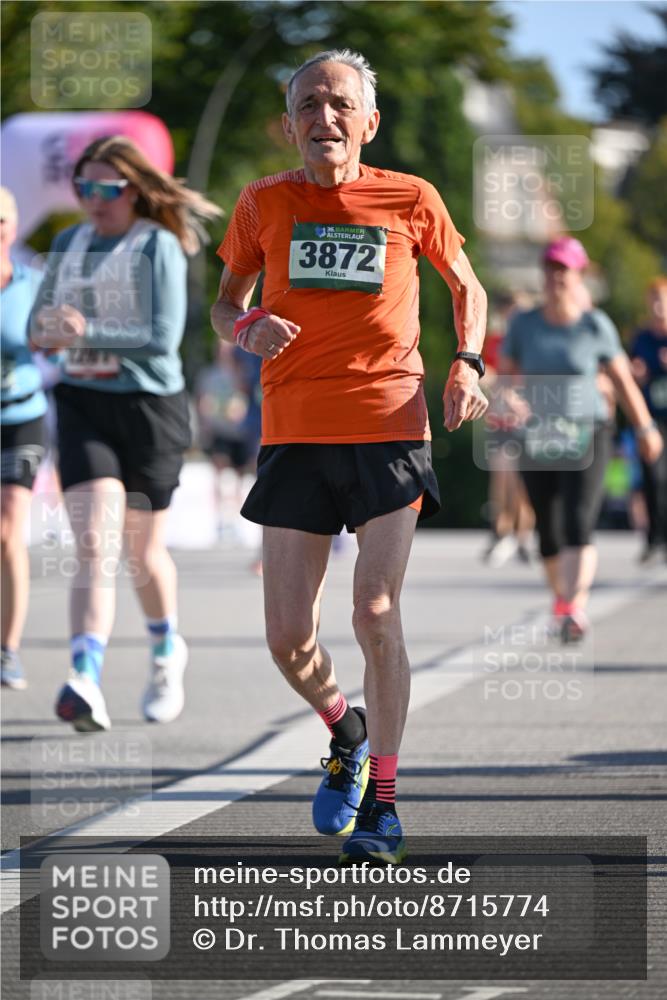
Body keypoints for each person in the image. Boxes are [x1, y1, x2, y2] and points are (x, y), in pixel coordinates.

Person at [211, 50, 488, 864]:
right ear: (288, 121)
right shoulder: (262, 202)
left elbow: (464, 286)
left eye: (339, 105)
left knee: (374, 610)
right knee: (287, 639)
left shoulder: (410, 198)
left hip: (389, 425)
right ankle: (345, 729)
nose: (322, 118)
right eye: (307, 105)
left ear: (367, 122)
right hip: (293, 431)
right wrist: (243, 327)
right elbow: (226, 303)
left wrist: (466, 361)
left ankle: (386, 807)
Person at [30, 136, 221, 731]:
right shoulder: (68, 243)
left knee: (141, 553)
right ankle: (84, 678)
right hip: (84, 403)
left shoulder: (157, 244)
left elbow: (160, 337)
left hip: (150, 408)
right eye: (82, 187)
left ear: (134, 190)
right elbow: (39, 328)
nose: (92, 199)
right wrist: (49, 328)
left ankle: (166, 652)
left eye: (105, 188)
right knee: (94, 545)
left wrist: (81, 331)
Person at [499, 238, 663, 643]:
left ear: (579, 276)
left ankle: (573, 607)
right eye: (551, 269)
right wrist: (511, 401)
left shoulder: (595, 325)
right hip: (537, 434)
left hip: (588, 430)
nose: (556, 278)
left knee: (577, 520)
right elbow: (505, 378)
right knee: (548, 533)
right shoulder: (524, 324)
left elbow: (623, 380)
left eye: (564, 270)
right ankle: (562, 599)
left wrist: (644, 427)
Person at [0, 187, 47, 689]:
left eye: (2, 220)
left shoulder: (33, 283)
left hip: (21, 417)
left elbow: (55, 344)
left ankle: (7, 648)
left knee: (7, 528)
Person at [481, 292, 535, 566]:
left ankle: (523, 535)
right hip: (501, 420)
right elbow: (483, 371)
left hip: (527, 422)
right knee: (502, 476)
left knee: (523, 483)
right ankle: (500, 532)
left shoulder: (533, 343)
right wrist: (500, 387)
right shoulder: (494, 342)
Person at [195, 339, 261, 540]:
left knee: (244, 478)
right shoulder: (209, 374)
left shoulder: (245, 371)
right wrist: (206, 420)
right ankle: (221, 521)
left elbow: (249, 397)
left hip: (242, 433)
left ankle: (238, 519)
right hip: (220, 431)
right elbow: (202, 401)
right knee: (221, 476)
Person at [630, 276, 667, 563]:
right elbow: (627, 372)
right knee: (653, 479)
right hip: (651, 420)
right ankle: (654, 538)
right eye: (654, 300)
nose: (658, 306)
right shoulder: (641, 338)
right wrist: (636, 372)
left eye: (662, 299)